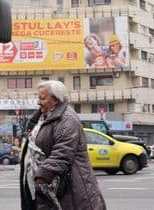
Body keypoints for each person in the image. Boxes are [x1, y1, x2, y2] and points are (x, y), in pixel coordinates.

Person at [19, 80, 106, 210]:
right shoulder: (42, 117)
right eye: (38, 97)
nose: (38, 102)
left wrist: (44, 173)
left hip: (70, 187)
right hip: (46, 186)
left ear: (56, 100)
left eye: (42, 98)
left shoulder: (67, 119)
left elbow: (63, 151)